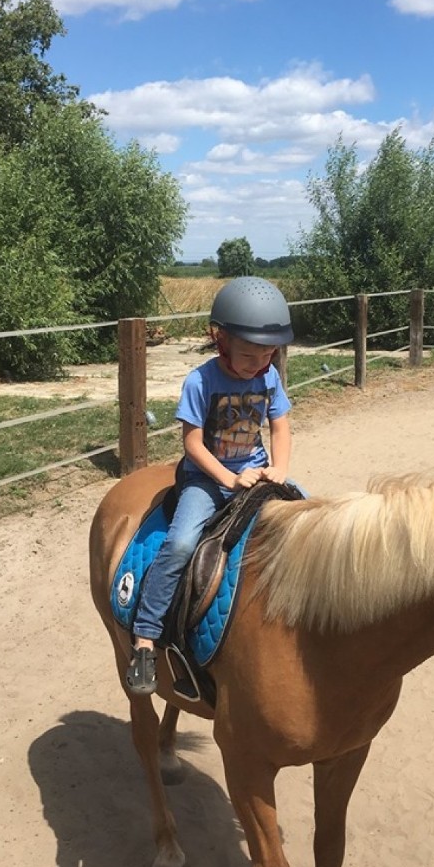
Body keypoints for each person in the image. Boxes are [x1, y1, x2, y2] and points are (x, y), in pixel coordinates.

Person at [126, 275, 294, 694]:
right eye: (249, 355)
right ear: (221, 341)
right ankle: (146, 636)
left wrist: (280, 469)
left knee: (307, 522)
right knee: (182, 543)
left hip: (255, 470)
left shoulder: (269, 377)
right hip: (207, 477)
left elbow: (281, 426)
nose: (259, 364)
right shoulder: (200, 382)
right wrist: (229, 479)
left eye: (268, 354)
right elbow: (192, 445)